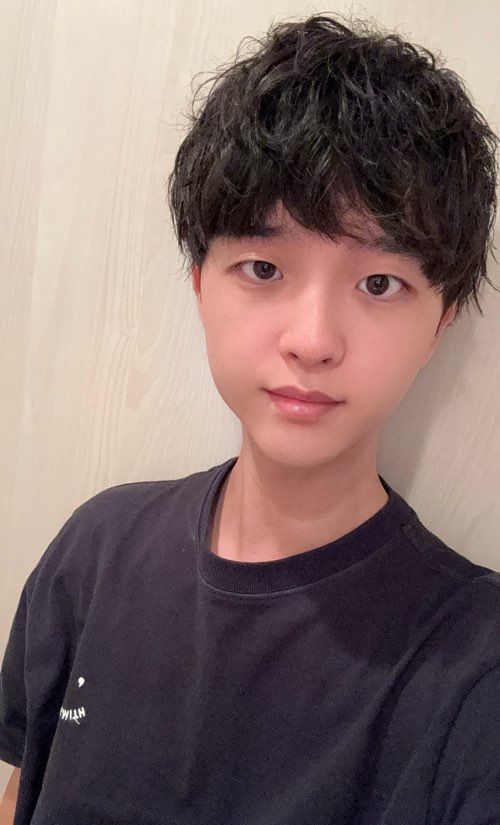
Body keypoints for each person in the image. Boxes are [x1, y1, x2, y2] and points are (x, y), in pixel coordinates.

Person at [1, 12, 499, 825]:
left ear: (439, 321)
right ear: (201, 283)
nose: (313, 340)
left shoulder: (475, 669)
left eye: (379, 283)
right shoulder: (93, 554)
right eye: (264, 267)